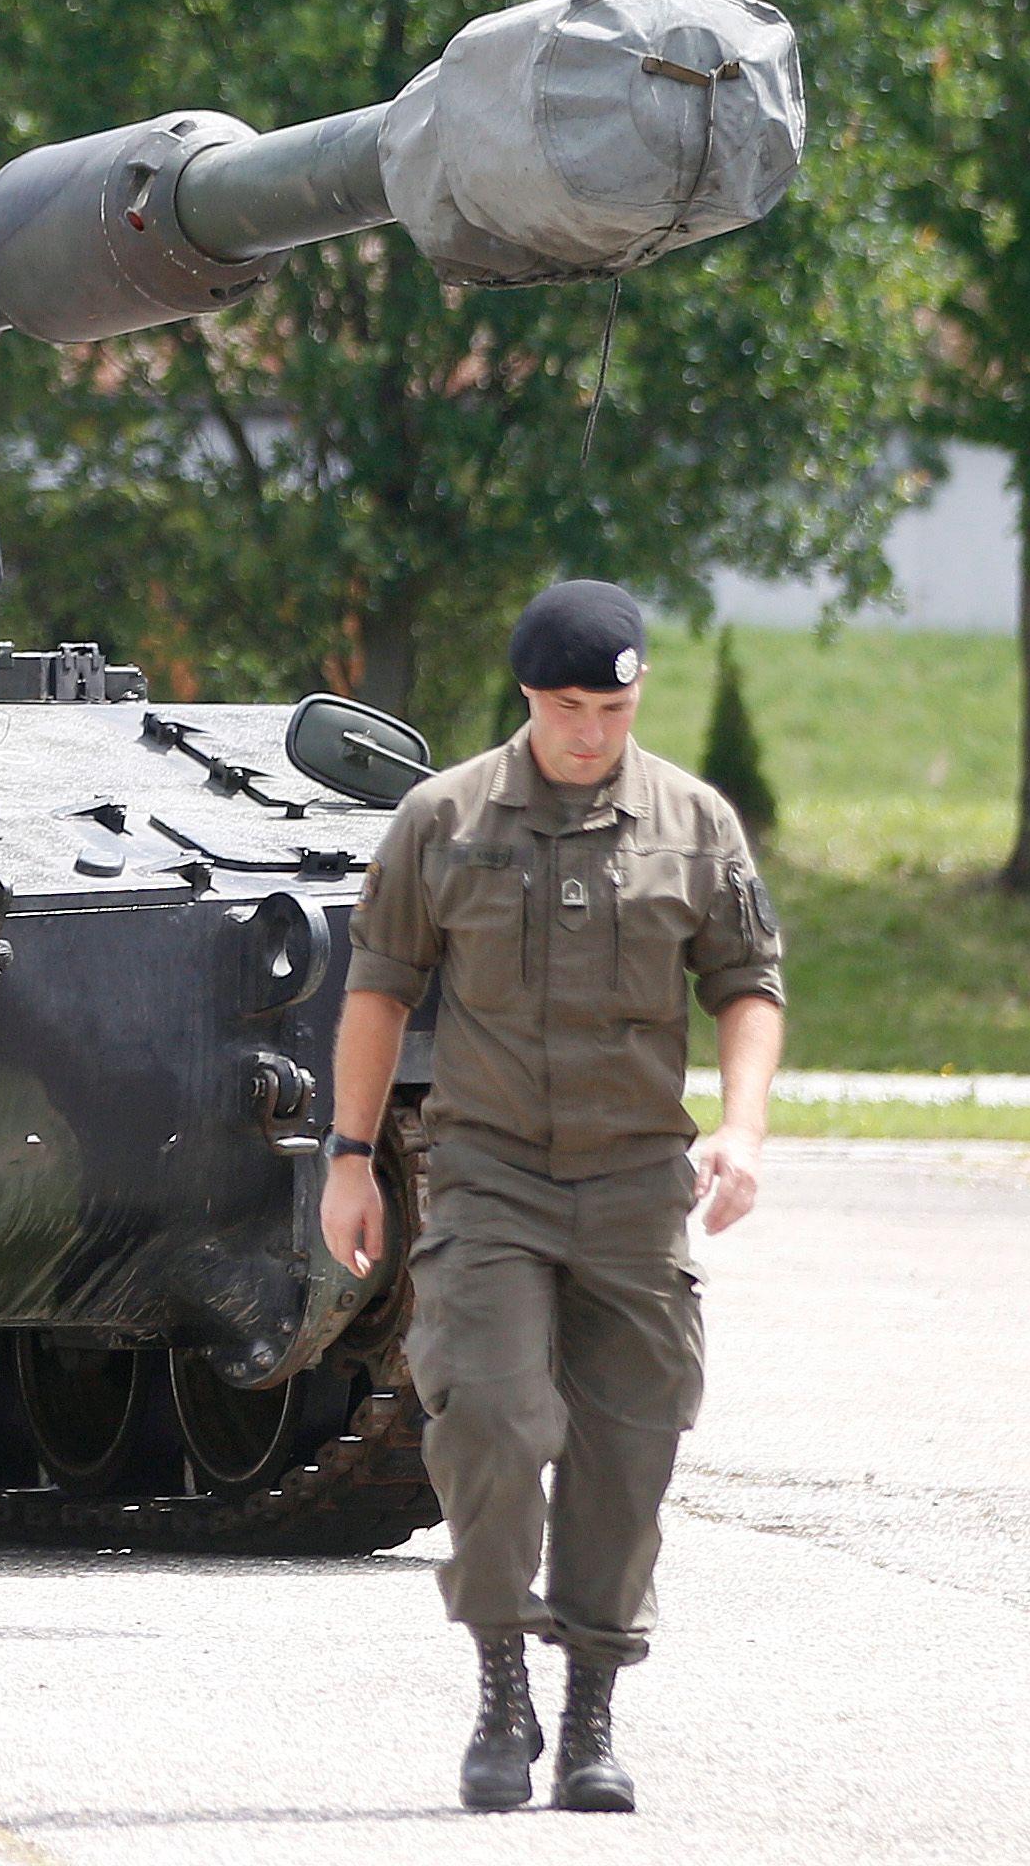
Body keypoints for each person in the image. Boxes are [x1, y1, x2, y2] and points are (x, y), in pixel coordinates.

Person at [317, 579, 783, 1815]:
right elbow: (374, 990)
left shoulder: (691, 825)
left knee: (628, 1451)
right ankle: (497, 1681)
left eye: (612, 705)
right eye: (567, 705)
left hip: (636, 1187)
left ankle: (587, 1711)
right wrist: (347, 1158)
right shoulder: (444, 820)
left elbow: (746, 984)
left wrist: (740, 1129)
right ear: (528, 698)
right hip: (489, 1177)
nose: (589, 729)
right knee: (487, 1418)